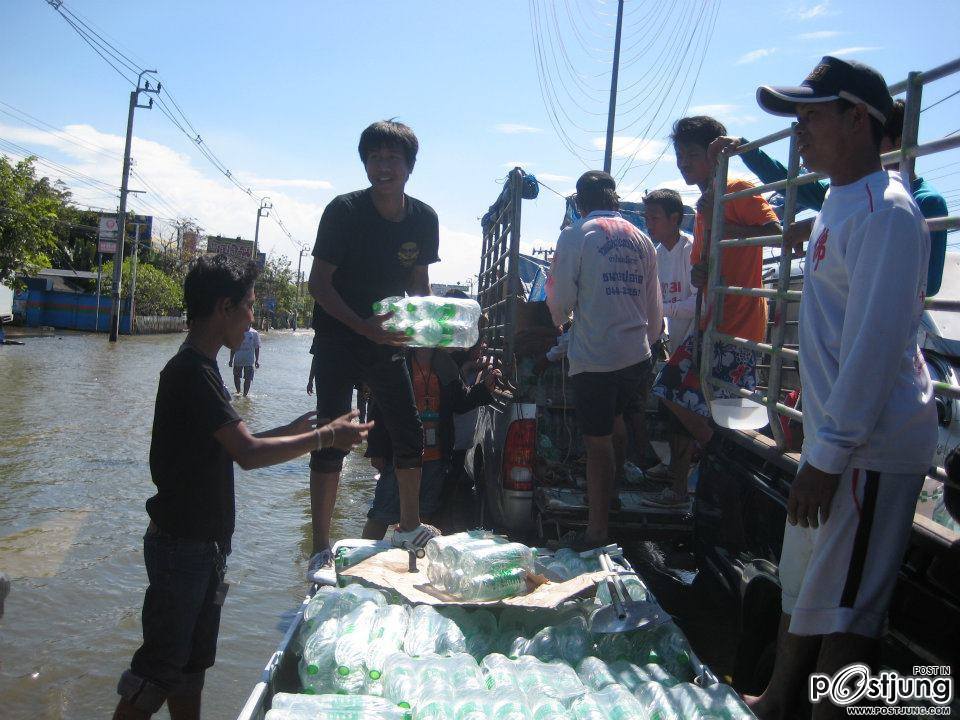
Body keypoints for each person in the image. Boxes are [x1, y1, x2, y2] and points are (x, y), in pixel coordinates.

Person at [746, 56, 937, 720]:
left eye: (811, 116)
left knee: (850, 610)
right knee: (808, 586)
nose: (800, 130)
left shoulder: (888, 213)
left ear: (858, 118)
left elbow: (875, 350)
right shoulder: (842, 199)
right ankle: (776, 700)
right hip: (838, 441)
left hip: (870, 448)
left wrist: (826, 460)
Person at [113, 254, 370, 720]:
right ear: (224, 308)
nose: (255, 317)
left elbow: (234, 445)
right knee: (156, 674)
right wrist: (325, 437)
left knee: (190, 670)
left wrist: (288, 430)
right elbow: (248, 456)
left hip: (202, 548)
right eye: (250, 306)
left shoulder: (204, 368)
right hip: (181, 548)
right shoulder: (191, 372)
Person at [305, 119, 440, 580]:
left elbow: (419, 288)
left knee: (408, 432)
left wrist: (426, 336)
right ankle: (320, 547)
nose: (383, 167)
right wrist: (364, 327)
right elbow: (318, 285)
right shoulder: (343, 211)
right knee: (331, 436)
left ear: (409, 166)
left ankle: (408, 526)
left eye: (393, 159)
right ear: (365, 162)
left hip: (387, 338)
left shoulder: (423, 219)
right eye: (375, 158)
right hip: (339, 334)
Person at [645, 116, 782, 508]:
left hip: (739, 320)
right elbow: (710, 258)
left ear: (714, 153)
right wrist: (701, 270)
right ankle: (709, 464)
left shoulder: (737, 188)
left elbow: (774, 232)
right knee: (671, 389)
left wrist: (724, 236)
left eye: (692, 155)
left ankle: (726, 474)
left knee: (731, 415)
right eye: (679, 155)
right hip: (713, 319)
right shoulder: (705, 202)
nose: (684, 163)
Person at [711, 99, 948, 296]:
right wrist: (746, 150)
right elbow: (793, 184)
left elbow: (929, 283)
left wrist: (817, 227)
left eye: (876, 141)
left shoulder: (926, 201)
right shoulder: (845, 192)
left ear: (900, 143)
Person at [547, 170, 662, 548]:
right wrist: (645, 345)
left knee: (596, 443)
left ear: (579, 203)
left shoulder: (577, 235)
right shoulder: (642, 239)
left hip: (597, 357)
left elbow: (560, 297)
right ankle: (610, 495)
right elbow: (653, 307)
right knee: (617, 423)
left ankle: (597, 531)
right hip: (637, 356)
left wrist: (561, 324)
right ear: (615, 201)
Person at [362, 347, 500, 538]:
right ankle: (363, 559)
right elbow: (378, 409)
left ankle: (416, 558)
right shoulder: (397, 358)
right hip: (400, 455)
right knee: (381, 513)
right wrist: (376, 450)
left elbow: (461, 402)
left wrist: (485, 387)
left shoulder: (445, 364)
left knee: (425, 514)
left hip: (435, 456)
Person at [228, 324, 260, 396]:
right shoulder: (237, 332)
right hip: (238, 360)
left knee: (248, 379)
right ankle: (238, 392)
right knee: (236, 377)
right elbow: (233, 347)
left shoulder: (254, 333)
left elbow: (257, 347)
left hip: (249, 361)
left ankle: (245, 395)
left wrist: (257, 360)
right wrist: (231, 359)